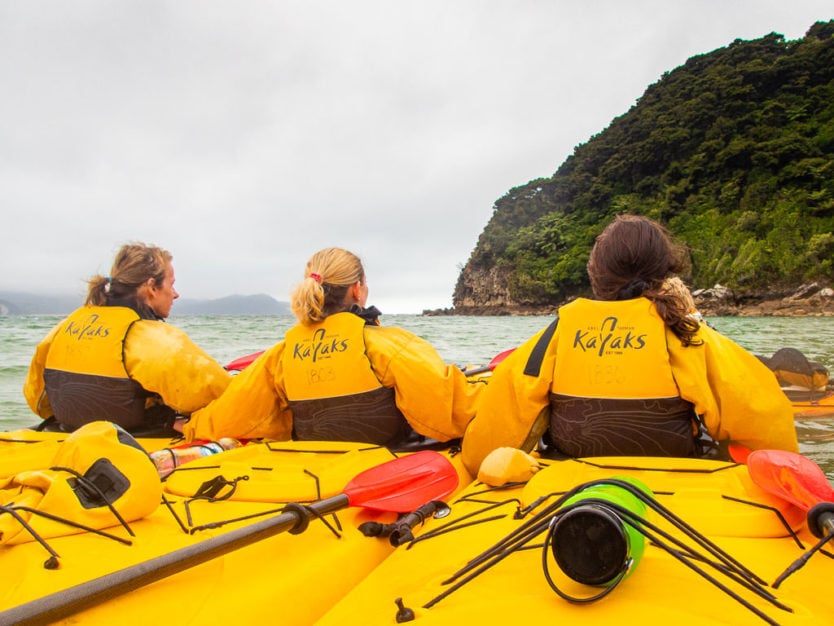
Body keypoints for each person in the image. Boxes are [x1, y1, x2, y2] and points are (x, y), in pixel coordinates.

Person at [461, 214, 798, 476]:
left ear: (595, 274)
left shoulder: (554, 338)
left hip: (570, 483)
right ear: (665, 273)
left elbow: (482, 453)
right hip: (679, 486)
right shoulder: (690, 338)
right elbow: (771, 431)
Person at [179, 247, 481, 450]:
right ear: (357, 290)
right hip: (385, 458)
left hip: (317, 465)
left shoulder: (280, 355)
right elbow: (449, 416)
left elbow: (235, 412)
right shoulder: (391, 346)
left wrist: (190, 427)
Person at [23, 243, 231, 436]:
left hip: (68, 432)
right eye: (171, 284)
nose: (175, 294)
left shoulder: (64, 326)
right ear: (152, 287)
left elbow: (38, 401)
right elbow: (221, 396)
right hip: (136, 439)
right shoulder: (154, 339)